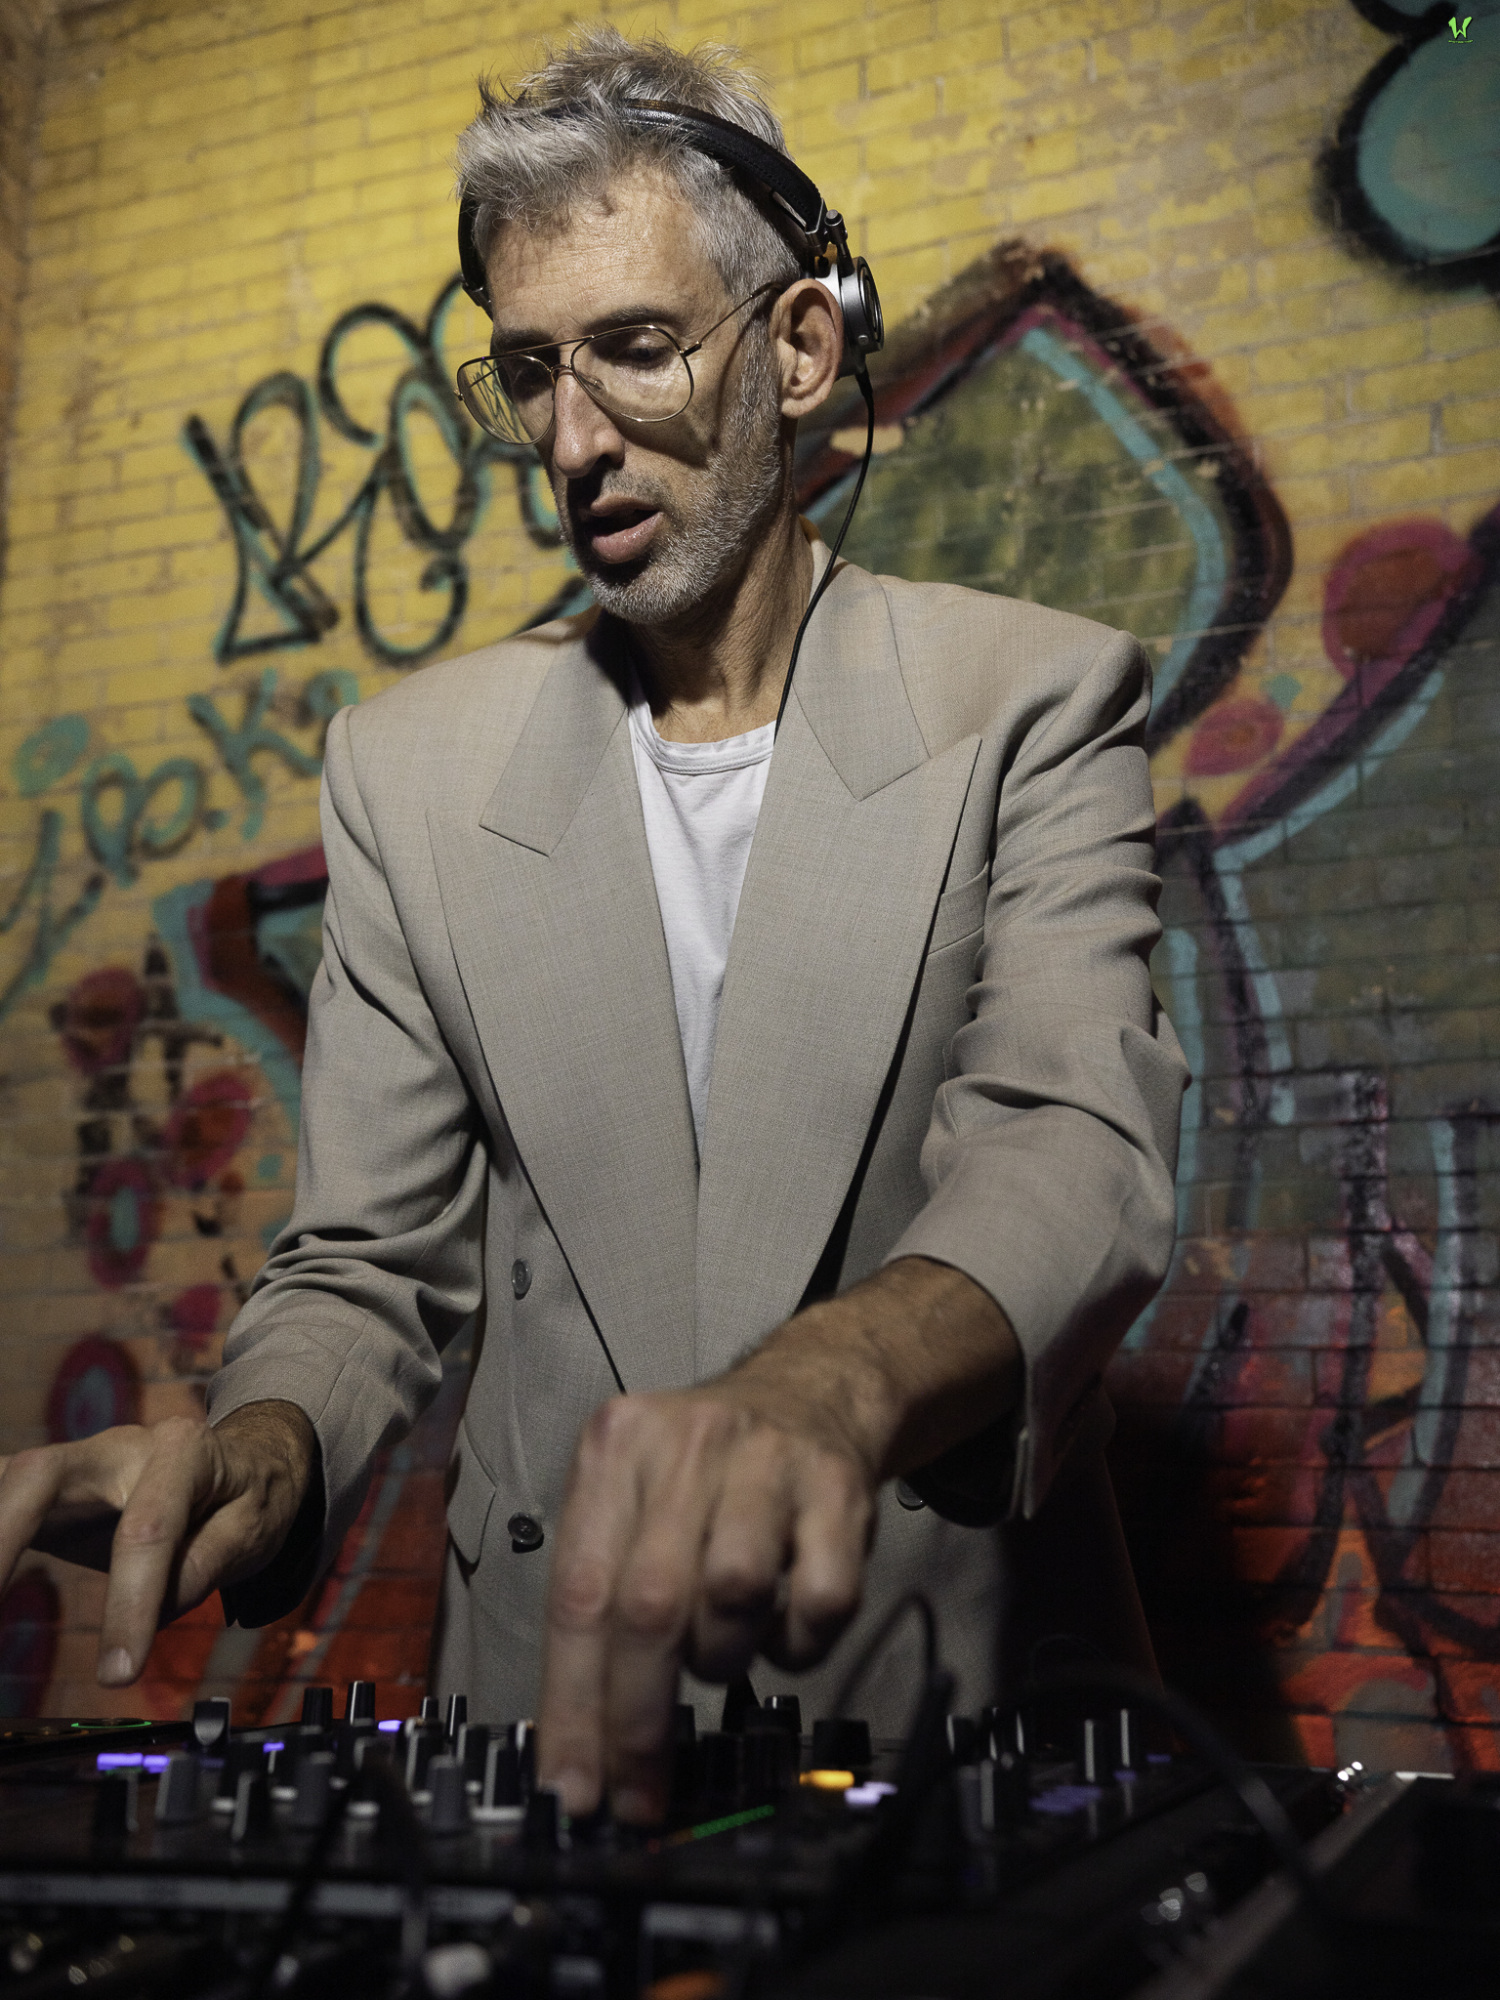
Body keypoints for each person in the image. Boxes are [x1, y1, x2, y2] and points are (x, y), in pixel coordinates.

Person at [0, 28, 1186, 1826]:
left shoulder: (1028, 699)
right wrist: (263, 1441)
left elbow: (1075, 1154)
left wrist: (829, 1380)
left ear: (800, 349)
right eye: (532, 372)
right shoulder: (409, 772)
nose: (574, 438)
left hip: (950, 1704)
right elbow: (364, 1264)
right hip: (542, 1723)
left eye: (636, 349)